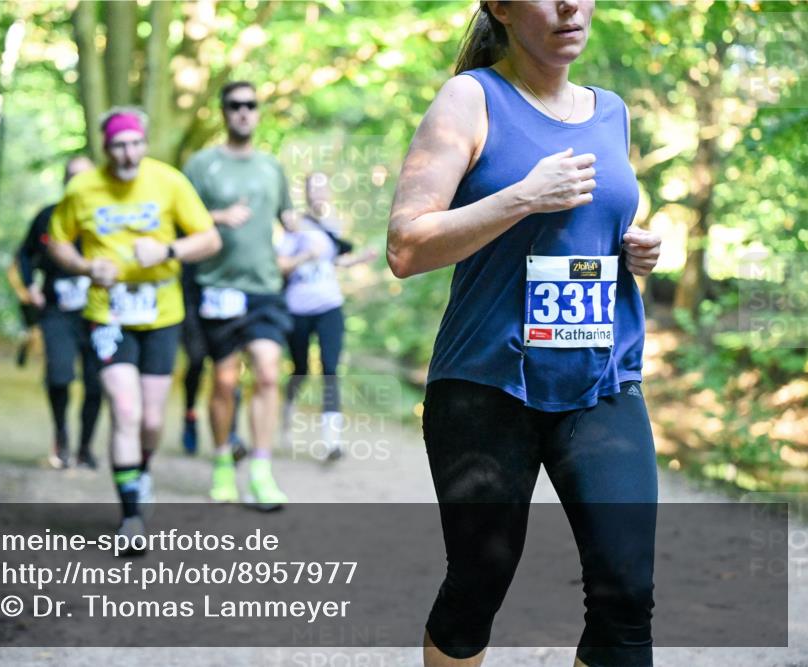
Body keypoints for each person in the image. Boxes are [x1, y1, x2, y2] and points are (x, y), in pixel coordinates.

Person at [386, 2, 663, 666]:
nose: (571, 5)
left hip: (600, 382)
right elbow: (405, 247)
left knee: (626, 594)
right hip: (487, 383)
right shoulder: (470, 99)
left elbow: (588, 232)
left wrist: (636, 251)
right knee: (478, 582)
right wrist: (523, 197)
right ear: (502, 8)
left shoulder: (612, 110)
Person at [48, 107, 221, 542]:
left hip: (162, 316)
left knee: (150, 419)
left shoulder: (168, 181)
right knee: (125, 409)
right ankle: (130, 519)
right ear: (105, 149)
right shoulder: (83, 188)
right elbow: (57, 242)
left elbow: (209, 239)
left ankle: (141, 472)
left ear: (144, 144)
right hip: (108, 314)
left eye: (135, 144)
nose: (128, 154)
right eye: (119, 146)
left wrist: (167, 252)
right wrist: (87, 267)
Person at [183, 81, 297, 509]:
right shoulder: (202, 165)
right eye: (235, 105)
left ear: (258, 111)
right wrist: (218, 216)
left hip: (264, 287)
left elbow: (288, 218)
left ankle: (262, 471)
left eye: (251, 105)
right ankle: (222, 463)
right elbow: (180, 221)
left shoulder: (271, 167)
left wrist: (314, 233)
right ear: (223, 111)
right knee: (225, 380)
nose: (244, 112)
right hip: (217, 287)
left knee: (268, 372)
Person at [277, 171, 377, 460]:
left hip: (330, 306)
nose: (318, 192)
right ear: (306, 193)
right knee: (300, 369)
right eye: (313, 187)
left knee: (330, 368)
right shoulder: (294, 225)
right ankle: (288, 411)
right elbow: (281, 266)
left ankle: (332, 441)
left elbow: (334, 260)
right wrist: (305, 254)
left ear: (330, 192)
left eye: (323, 186)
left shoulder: (332, 225)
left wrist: (357, 260)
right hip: (297, 308)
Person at [11, 155, 102, 469]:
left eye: (85, 177)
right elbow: (24, 253)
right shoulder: (48, 216)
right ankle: (61, 434)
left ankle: (86, 447)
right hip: (57, 310)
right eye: (72, 176)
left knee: (96, 382)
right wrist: (30, 286)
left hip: (97, 311)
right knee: (60, 374)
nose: (78, 183)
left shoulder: (106, 217)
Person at [179, 264, 246, 457]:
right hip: (192, 301)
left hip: (228, 307)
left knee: (228, 374)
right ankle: (190, 415)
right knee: (196, 361)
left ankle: (231, 431)